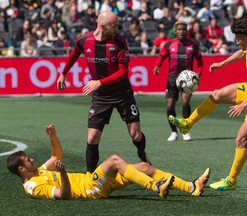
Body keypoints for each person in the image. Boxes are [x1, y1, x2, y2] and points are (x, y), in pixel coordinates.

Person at [169, 18, 247, 190]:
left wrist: (243, 105)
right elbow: (242, 53)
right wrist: (223, 63)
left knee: (241, 139)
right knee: (217, 94)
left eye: (238, 39)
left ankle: (231, 181)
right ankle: (187, 124)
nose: (236, 42)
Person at [6, 124, 211, 200]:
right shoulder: (33, 186)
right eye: (28, 160)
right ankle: (156, 187)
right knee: (113, 160)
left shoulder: (38, 172)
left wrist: (53, 138)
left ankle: (191, 187)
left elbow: (55, 157)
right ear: (22, 169)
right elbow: (64, 195)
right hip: (90, 190)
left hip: (92, 181)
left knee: (145, 167)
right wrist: (63, 175)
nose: (32, 159)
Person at [56, 10, 151, 174]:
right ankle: (90, 176)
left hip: (123, 94)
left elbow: (123, 72)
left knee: (135, 135)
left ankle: (142, 154)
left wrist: (99, 82)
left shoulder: (119, 43)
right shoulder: (84, 40)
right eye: (113, 26)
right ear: (102, 26)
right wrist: (63, 73)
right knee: (92, 137)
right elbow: (74, 53)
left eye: (117, 26)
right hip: (101, 97)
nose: (117, 29)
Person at [153, 20, 204, 142]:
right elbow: (161, 57)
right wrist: (157, 66)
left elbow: (200, 62)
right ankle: (173, 132)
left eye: (184, 29)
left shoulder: (193, 45)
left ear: (187, 31)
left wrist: (198, 75)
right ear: (175, 31)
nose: (181, 31)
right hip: (172, 79)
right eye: (179, 29)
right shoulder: (169, 45)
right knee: (170, 105)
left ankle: (186, 130)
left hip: (187, 80)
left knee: (185, 103)